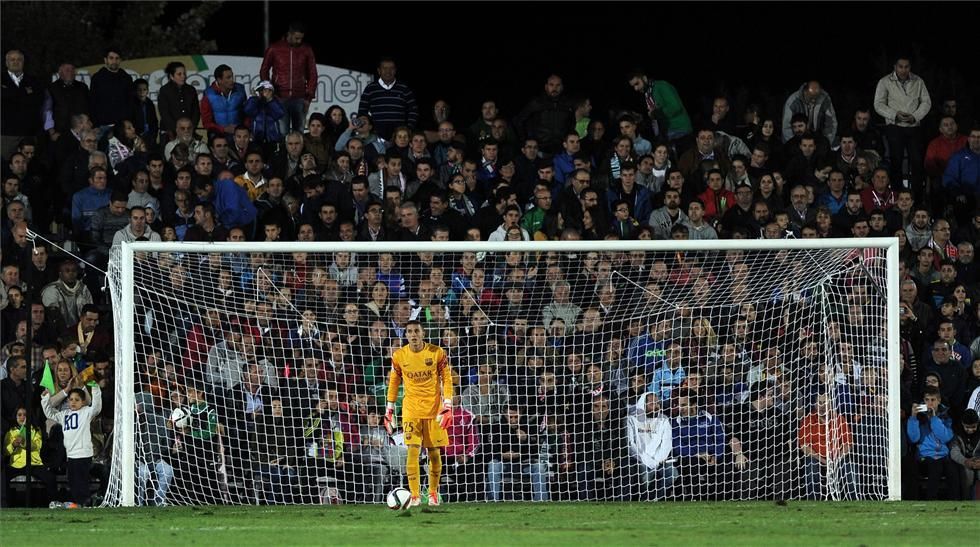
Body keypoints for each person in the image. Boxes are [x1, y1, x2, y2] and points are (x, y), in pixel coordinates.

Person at [384, 320, 454, 506]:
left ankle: (432, 493)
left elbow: (447, 378)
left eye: (416, 331)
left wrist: (447, 404)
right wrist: (389, 409)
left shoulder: (436, 352)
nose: (413, 335)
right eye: (409, 332)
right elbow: (393, 382)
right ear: (405, 335)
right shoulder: (399, 356)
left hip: (434, 410)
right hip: (411, 410)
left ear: (423, 334)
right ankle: (414, 496)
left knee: (434, 453)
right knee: (412, 451)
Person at [873, 55, 931, 202]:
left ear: (910, 67)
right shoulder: (885, 81)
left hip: (914, 126)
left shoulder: (918, 81)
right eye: (901, 66)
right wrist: (894, 115)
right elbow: (878, 104)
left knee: (917, 162)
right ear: (895, 67)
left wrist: (915, 116)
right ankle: (897, 197)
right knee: (896, 161)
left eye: (906, 67)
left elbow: (926, 102)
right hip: (895, 126)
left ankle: (917, 199)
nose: (903, 70)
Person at [41, 380, 102, 506]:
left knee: (82, 481)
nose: (73, 402)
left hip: (83, 454)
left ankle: (85, 503)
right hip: (71, 454)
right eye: (71, 399)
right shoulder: (64, 415)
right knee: (73, 481)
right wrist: (45, 398)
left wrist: (95, 390)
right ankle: (77, 504)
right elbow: (49, 413)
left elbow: (96, 407)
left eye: (77, 399)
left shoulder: (86, 412)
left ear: (83, 402)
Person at [259, 21, 318, 135]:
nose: (299, 41)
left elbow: (313, 74)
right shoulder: (275, 48)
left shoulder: (306, 49)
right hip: (279, 98)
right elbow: (264, 70)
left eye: (301, 38)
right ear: (289, 34)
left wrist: (308, 98)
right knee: (282, 133)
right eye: (296, 38)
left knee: (299, 134)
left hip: (300, 98)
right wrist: (268, 89)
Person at [906, 385, 957, 499]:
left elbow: (945, 437)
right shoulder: (918, 417)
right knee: (935, 466)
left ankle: (956, 503)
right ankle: (931, 500)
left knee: (953, 470)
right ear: (923, 401)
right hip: (925, 456)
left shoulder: (946, 416)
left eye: (933, 400)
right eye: (927, 400)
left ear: (939, 400)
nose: (930, 403)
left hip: (943, 455)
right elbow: (913, 439)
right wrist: (913, 417)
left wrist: (934, 419)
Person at [627, 69, 693, 152]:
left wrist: (655, 113)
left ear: (644, 78)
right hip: (666, 133)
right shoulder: (648, 94)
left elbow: (675, 107)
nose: (636, 88)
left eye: (637, 83)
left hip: (679, 130)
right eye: (633, 86)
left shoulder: (661, 86)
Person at [356, 58, 418, 141]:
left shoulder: (404, 88)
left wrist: (409, 128)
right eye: (384, 68)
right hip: (376, 136)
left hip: (399, 137)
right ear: (379, 70)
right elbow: (362, 112)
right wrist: (367, 130)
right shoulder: (370, 89)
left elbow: (413, 110)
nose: (388, 71)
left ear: (395, 70)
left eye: (391, 68)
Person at [781, 80, 838, 145]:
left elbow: (831, 123)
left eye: (816, 98)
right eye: (811, 97)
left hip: (817, 138)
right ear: (805, 92)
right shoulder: (792, 101)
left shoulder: (825, 98)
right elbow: (786, 127)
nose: (813, 100)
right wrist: (796, 146)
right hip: (796, 139)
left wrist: (826, 144)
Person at [200, 64, 247, 141]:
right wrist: (224, 129)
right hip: (218, 136)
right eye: (228, 78)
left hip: (239, 136)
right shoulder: (208, 94)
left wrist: (244, 129)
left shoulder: (240, 90)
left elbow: (246, 113)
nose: (232, 80)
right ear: (219, 80)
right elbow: (206, 122)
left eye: (232, 76)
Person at [157, 61, 200, 142]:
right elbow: (164, 113)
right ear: (171, 76)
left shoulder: (191, 90)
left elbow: (196, 112)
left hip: (189, 133)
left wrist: (189, 128)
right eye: (179, 74)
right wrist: (177, 130)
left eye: (184, 73)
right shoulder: (164, 91)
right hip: (170, 133)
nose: (183, 76)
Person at [949, 408, 979, 500]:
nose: (970, 430)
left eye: (973, 427)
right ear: (962, 424)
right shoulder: (957, 432)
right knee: (966, 474)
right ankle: (966, 502)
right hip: (963, 463)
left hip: (978, 461)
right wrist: (965, 461)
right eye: (967, 427)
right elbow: (954, 452)